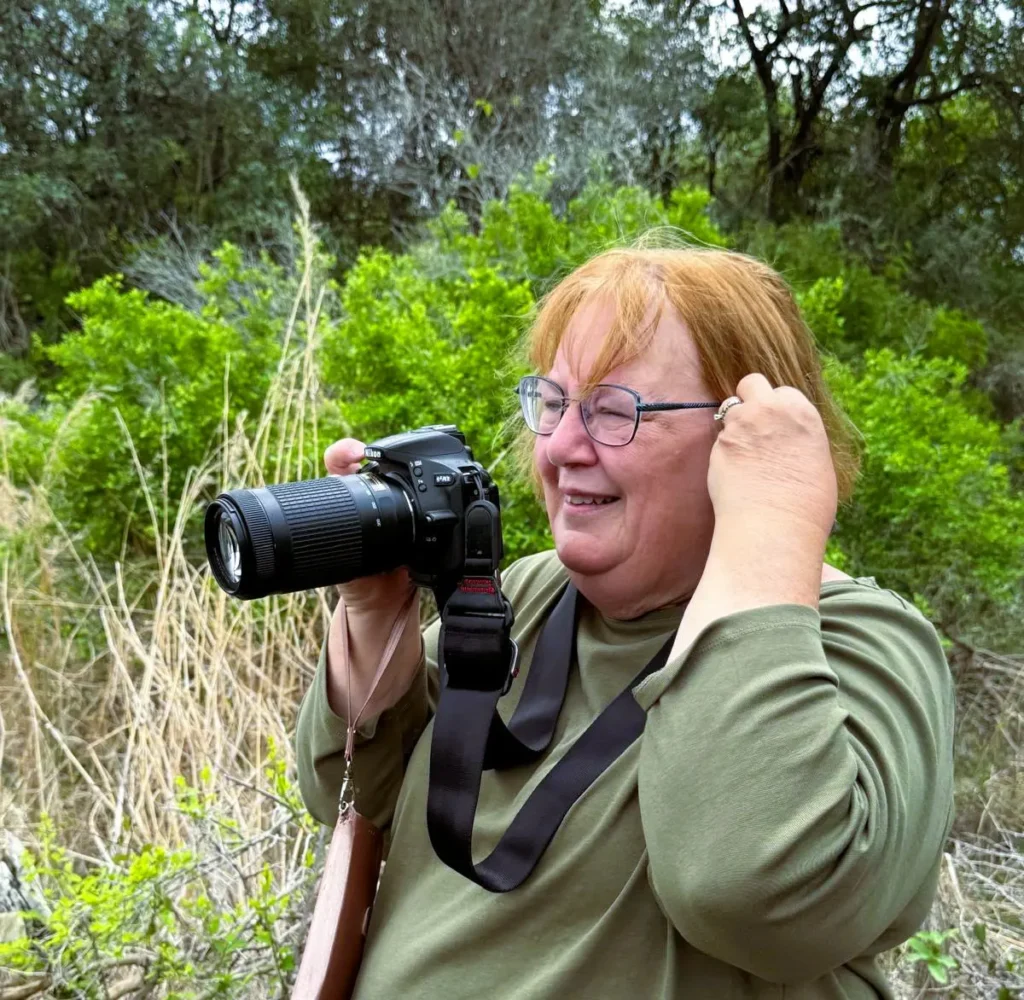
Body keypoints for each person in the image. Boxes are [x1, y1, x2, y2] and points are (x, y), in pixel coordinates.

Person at [295, 247, 955, 999]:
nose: (563, 448)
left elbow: (752, 897)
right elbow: (352, 795)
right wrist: (376, 614)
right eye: (553, 403)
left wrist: (770, 524)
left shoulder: (863, 643)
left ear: (741, 437)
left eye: (616, 412)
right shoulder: (524, 597)